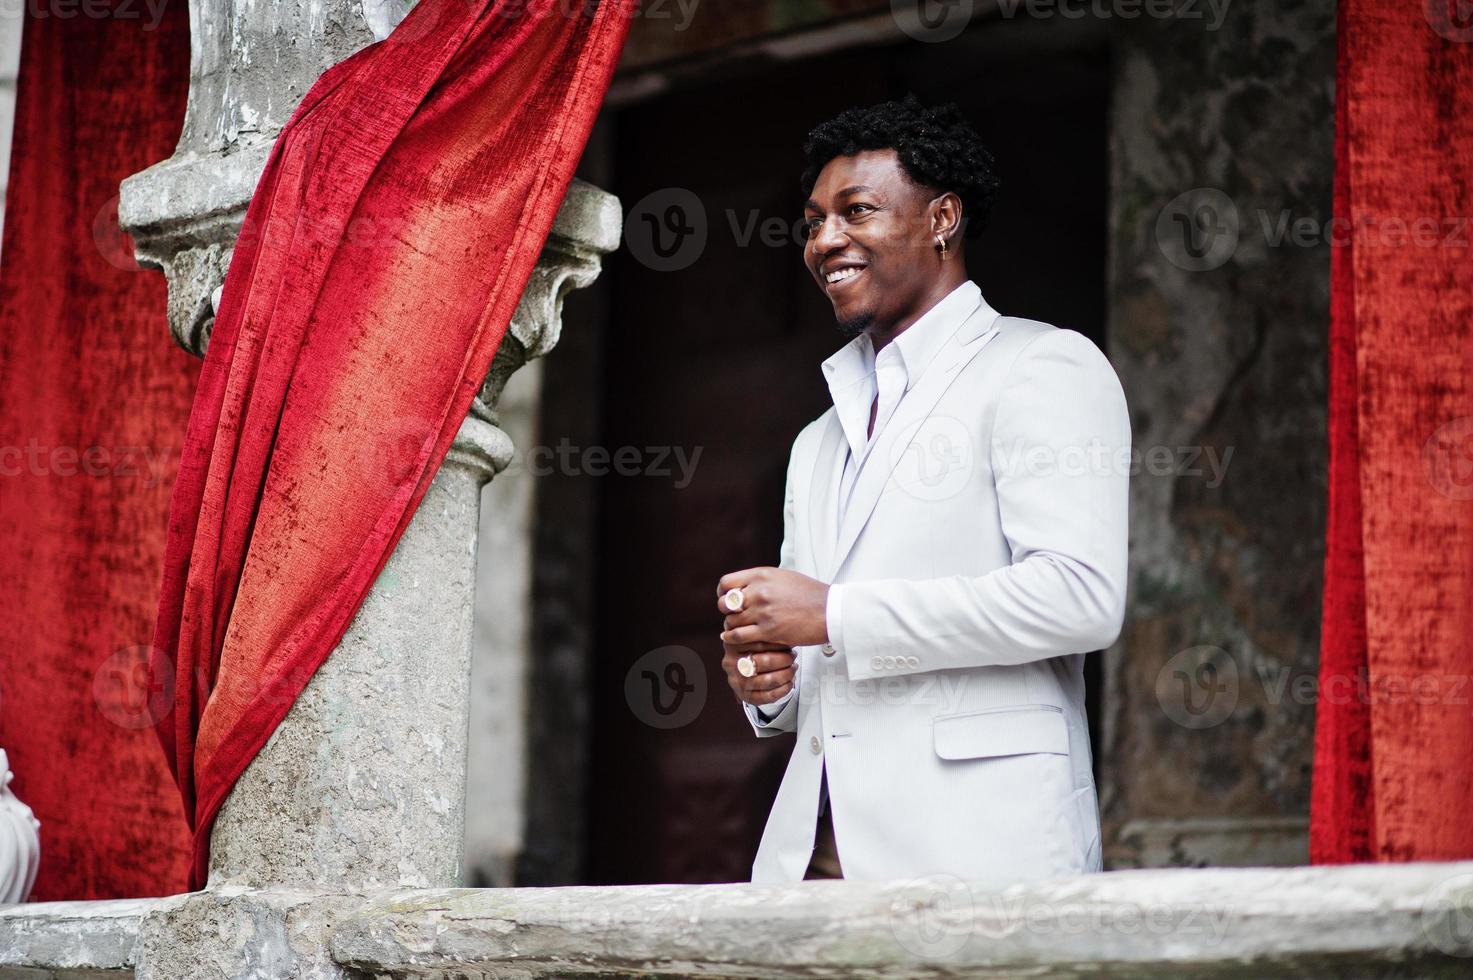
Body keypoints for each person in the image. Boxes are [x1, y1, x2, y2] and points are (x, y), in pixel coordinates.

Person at [715, 94, 1130, 885]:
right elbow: (828, 672)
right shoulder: (818, 440)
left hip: (980, 853)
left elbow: (1079, 597)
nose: (823, 240)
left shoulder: (1041, 367)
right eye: (812, 221)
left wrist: (831, 613)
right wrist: (769, 680)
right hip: (814, 862)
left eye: (856, 211)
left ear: (942, 217)